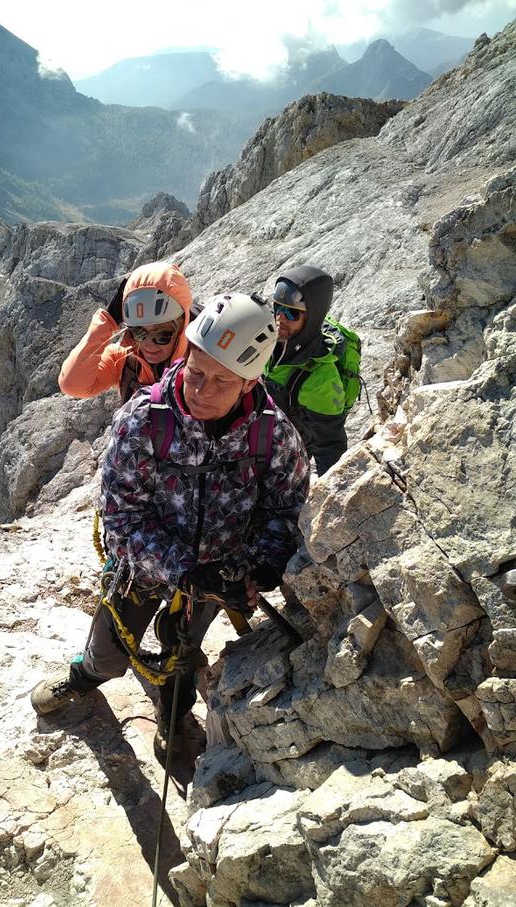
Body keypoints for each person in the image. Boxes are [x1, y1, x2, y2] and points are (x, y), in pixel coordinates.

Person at [32, 292, 310, 759]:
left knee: (183, 652)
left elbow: (286, 510)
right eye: (195, 371)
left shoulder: (272, 434)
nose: (201, 389)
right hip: (144, 568)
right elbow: (121, 518)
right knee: (112, 644)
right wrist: (181, 569)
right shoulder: (143, 421)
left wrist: (260, 568)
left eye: (221, 380)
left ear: (248, 382)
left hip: (220, 574)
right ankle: (88, 674)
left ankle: (173, 712)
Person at [58, 261, 192, 403]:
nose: (148, 346)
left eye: (162, 335)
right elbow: (72, 384)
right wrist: (107, 321)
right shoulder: (124, 359)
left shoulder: (201, 364)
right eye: (139, 333)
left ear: (182, 326)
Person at [263, 265, 351, 475]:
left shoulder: (321, 378)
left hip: (287, 461)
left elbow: (330, 446)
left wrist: (329, 495)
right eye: (278, 307)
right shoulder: (267, 341)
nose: (280, 318)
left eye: (291, 313)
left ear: (311, 318)